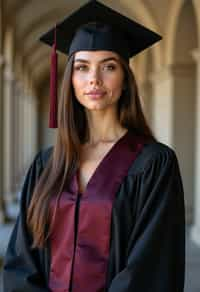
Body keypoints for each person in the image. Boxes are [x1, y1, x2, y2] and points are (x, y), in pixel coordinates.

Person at [3, 1, 185, 291]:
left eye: (109, 66)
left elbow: (151, 265)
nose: (94, 80)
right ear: (70, 80)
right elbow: (22, 259)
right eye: (82, 67)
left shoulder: (153, 164)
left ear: (125, 78)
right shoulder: (47, 164)